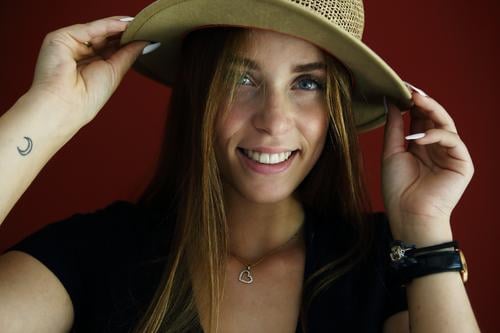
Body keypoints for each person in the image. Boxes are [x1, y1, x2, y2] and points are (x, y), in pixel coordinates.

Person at [0, 0, 480, 332]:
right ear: (199, 91)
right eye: (241, 77)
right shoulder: (97, 253)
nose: (273, 121)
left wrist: (425, 229)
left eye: (307, 83)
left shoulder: (385, 265)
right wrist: (46, 115)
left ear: (336, 106)